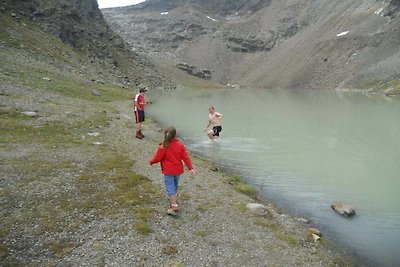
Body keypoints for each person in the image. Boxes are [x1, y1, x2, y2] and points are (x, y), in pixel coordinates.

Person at [149, 126, 196, 216]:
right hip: (178, 170)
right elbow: (185, 157)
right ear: (175, 136)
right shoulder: (180, 146)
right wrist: (190, 168)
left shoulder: (163, 146)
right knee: (174, 184)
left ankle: (174, 206)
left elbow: (158, 157)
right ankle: (174, 198)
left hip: (168, 171)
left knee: (170, 186)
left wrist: (152, 162)